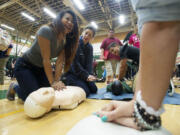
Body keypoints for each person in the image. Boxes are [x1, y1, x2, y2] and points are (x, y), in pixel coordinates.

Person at [95, 0, 180, 131]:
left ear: (117, 45)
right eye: (111, 52)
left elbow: (161, 19)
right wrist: (137, 101)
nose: (114, 53)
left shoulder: (123, 49)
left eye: (113, 50)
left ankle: (145, 108)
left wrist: (146, 111)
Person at [6, 9, 79, 101]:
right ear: (59, 19)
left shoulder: (65, 41)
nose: (70, 23)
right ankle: (15, 87)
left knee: (48, 93)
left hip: (40, 69)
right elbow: (46, 59)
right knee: (34, 98)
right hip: (24, 66)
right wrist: (52, 82)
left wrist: (57, 81)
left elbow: (59, 62)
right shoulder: (46, 31)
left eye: (72, 22)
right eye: (67, 19)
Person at [63, 26, 97, 97]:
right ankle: (67, 83)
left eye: (89, 35)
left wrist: (89, 75)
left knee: (94, 89)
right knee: (86, 92)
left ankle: (82, 83)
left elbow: (89, 64)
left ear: (92, 38)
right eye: (86, 33)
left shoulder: (90, 47)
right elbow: (75, 65)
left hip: (82, 75)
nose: (87, 36)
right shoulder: (75, 44)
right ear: (82, 33)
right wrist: (86, 76)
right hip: (71, 74)